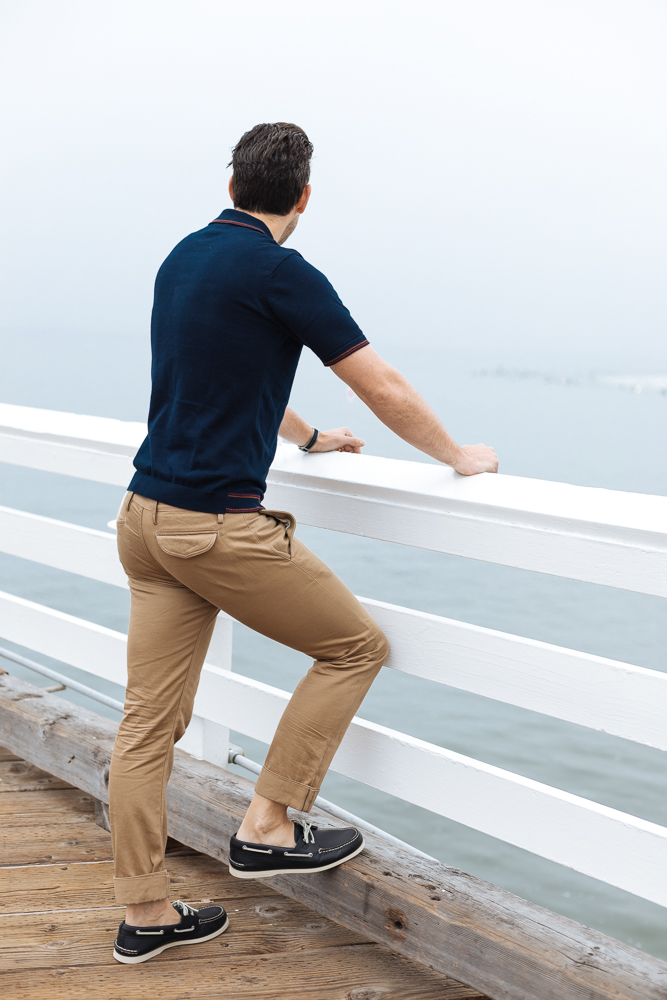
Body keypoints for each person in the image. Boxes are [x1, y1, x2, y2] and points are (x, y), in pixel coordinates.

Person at [110, 122, 498, 965]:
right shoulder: (282, 270)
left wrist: (308, 437)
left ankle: (144, 911)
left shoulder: (183, 256)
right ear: (304, 197)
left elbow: (214, 376)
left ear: (232, 183)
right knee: (355, 647)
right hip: (213, 526)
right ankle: (269, 822)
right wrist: (457, 456)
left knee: (146, 725)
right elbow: (380, 382)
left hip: (144, 518)